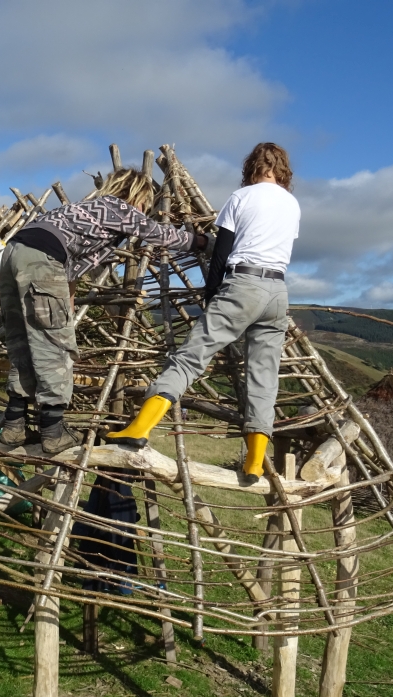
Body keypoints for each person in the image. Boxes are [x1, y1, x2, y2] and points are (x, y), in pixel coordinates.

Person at [107, 142, 300, 486]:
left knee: (189, 357)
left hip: (244, 284)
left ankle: (140, 427)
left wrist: (212, 297)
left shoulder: (242, 198)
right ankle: (255, 462)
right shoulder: (292, 204)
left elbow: (222, 254)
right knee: (263, 377)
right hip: (278, 293)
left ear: (251, 167)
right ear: (282, 170)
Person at [0, 168, 208, 454]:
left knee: (21, 340)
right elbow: (157, 234)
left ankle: (13, 426)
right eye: (144, 203)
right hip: (42, 260)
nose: (144, 209)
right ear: (135, 195)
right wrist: (203, 242)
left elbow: (68, 265)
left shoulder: (76, 211)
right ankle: (52, 431)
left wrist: (67, 300)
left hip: (13, 252)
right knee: (53, 347)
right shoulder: (118, 207)